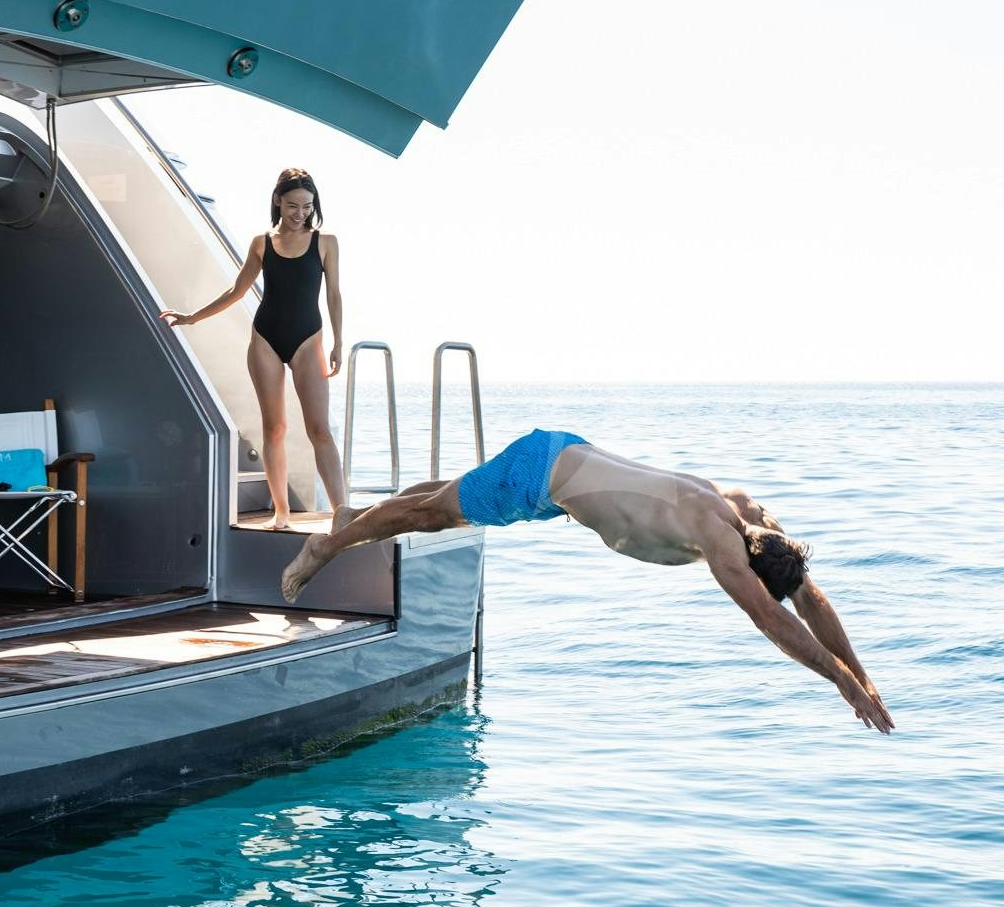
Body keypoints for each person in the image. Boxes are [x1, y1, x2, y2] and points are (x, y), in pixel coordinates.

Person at [281, 429, 894, 733]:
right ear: (750, 569)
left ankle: (350, 521)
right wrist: (841, 685)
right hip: (544, 476)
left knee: (445, 501)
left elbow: (805, 598)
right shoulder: (725, 548)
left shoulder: (750, 515)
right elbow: (772, 619)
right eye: (757, 584)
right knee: (433, 515)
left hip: (566, 462)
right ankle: (326, 547)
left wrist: (862, 675)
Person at [159, 168, 345, 530]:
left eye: (307, 206)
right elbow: (237, 291)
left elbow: (334, 294)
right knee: (274, 427)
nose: (300, 213)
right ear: (278, 201)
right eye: (293, 205)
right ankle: (281, 513)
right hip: (265, 339)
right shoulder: (262, 242)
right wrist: (192, 317)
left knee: (319, 429)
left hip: (310, 340)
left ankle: (343, 513)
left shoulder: (326, 242)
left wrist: (338, 341)